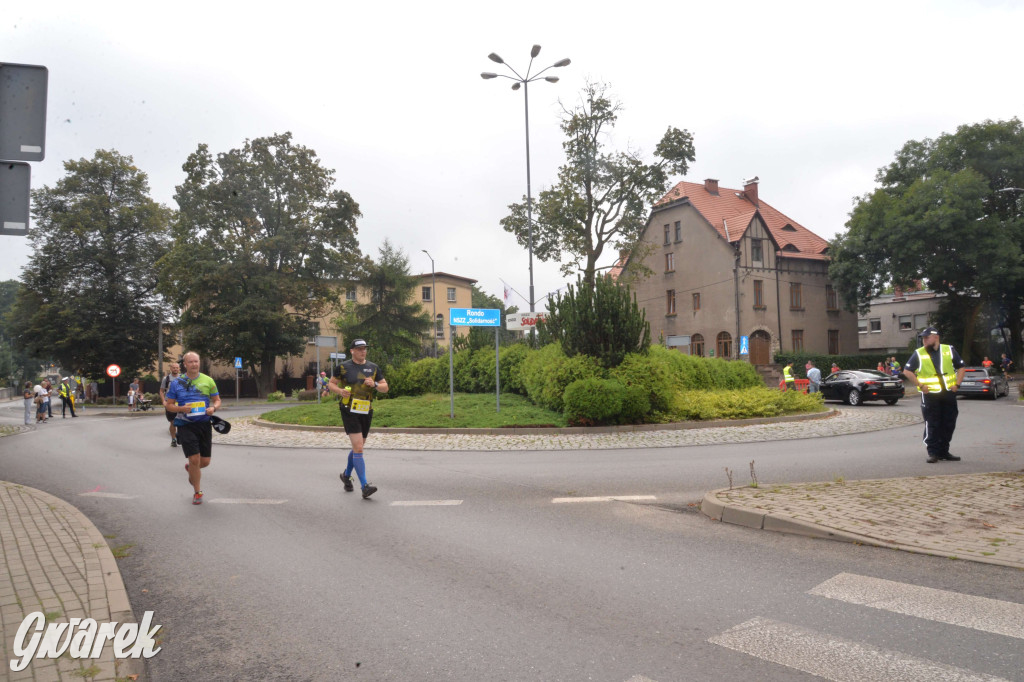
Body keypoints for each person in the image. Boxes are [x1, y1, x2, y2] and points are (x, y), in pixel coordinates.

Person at [328, 339, 388, 499]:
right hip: (349, 409)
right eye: (360, 349)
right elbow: (331, 384)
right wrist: (340, 391)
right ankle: (364, 486)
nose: (363, 351)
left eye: (365, 349)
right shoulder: (342, 367)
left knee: (358, 448)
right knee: (359, 448)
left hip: (366, 410)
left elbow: (385, 387)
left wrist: (374, 384)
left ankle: (346, 475)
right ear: (352, 351)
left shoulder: (373, 367)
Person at [163, 351, 222, 505]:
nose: (194, 364)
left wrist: (213, 409)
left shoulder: (208, 380)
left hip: (204, 424)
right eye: (191, 362)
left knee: (205, 461)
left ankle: (191, 469)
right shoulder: (177, 382)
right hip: (186, 425)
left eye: (196, 361)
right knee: (195, 458)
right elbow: (169, 405)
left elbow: (217, 400)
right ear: (185, 364)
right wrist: (182, 408)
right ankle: (197, 492)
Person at [903, 326, 966, 464]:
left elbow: (961, 367)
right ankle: (933, 452)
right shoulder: (919, 353)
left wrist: (958, 385)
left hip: (948, 392)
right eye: (923, 338)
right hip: (930, 394)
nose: (924, 340)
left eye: (927, 337)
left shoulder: (948, 349)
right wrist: (920, 385)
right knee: (932, 423)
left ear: (936, 337)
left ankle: (944, 451)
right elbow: (907, 371)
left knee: (949, 422)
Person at [160, 362, 182, 447]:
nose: (175, 369)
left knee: (182, 420)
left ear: (179, 369)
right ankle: (173, 439)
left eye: (177, 368)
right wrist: (163, 401)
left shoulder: (183, 378)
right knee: (173, 422)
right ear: (171, 369)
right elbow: (161, 391)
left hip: (180, 402)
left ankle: (180, 436)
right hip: (170, 403)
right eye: (174, 368)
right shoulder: (167, 378)